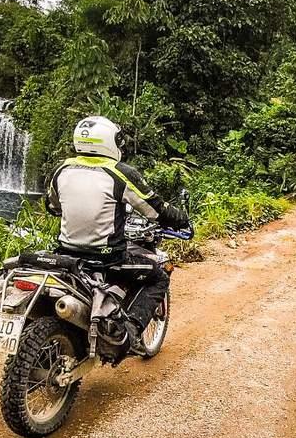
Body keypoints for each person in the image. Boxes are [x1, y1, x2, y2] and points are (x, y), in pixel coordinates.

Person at [44, 115, 191, 345]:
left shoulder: (61, 169)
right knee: (158, 277)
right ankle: (129, 331)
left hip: (66, 254)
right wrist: (182, 220)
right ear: (109, 141)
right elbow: (156, 209)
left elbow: (53, 206)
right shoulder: (120, 173)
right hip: (107, 259)